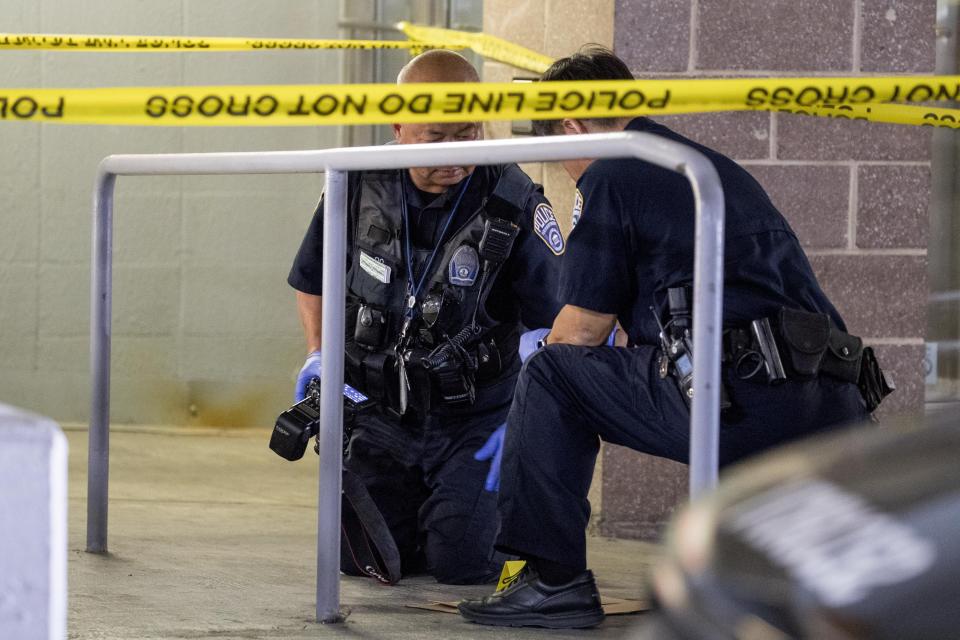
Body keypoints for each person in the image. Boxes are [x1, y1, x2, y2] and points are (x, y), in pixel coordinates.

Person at [458, 46, 882, 627]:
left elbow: (582, 329)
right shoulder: (702, 167)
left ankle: (553, 582)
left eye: (559, 155)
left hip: (739, 399)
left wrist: (527, 422)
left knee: (550, 375)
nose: (564, 171)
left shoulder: (611, 171)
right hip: (832, 403)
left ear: (575, 126)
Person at [287, 49, 564, 585]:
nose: (456, 154)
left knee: (460, 564)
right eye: (437, 137)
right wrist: (319, 355)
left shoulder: (514, 198)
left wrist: (529, 419)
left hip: (476, 418)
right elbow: (312, 279)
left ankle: (487, 512)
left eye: (468, 133)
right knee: (363, 559)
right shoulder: (356, 183)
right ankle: (428, 508)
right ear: (398, 124)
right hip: (381, 411)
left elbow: (555, 319)